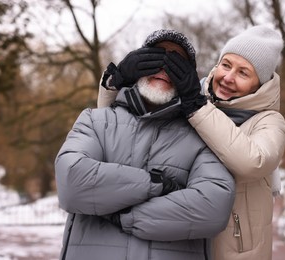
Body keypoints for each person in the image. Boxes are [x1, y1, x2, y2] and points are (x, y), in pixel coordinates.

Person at [98, 25, 285, 260]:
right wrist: (116, 82)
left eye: (243, 73)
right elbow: (115, 132)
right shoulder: (189, 99)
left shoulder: (269, 121)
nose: (228, 78)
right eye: (226, 65)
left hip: (233, 252)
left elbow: (253, 162)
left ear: (259, 84)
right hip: (183, 245)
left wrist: (196, 106)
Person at [55, 29, 235, 260]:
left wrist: (122, 214)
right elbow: (73, 182)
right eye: (156, 56)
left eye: (177, 62)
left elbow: (213, 208)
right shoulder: (94, 120)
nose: (164, 68)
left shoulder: (204, 138)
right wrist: (158, 185)